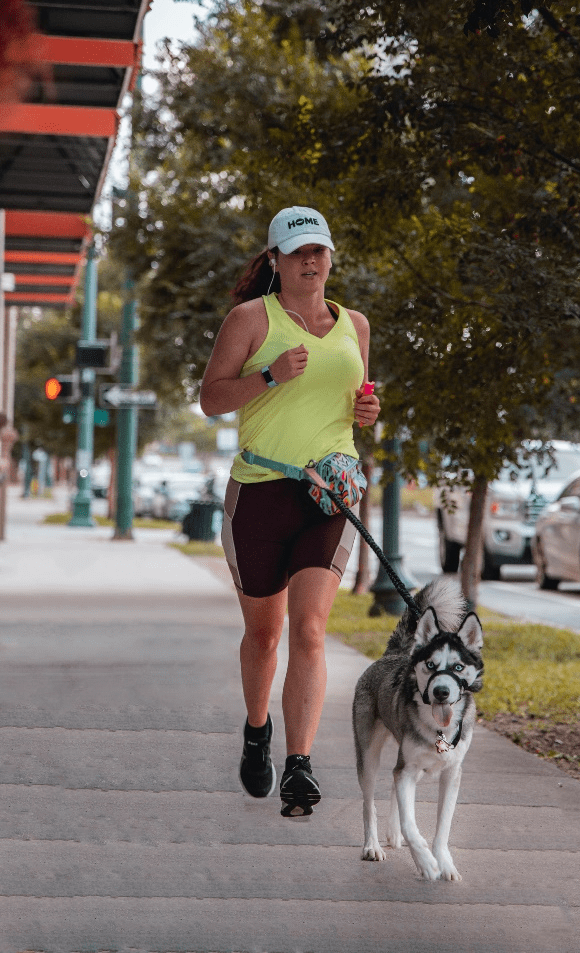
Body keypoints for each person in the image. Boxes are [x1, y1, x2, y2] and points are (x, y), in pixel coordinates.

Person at [200, 206, 380, 817]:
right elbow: (212, 398)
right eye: (297, 251)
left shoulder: (354, 324)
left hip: (328, 495)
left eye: (319, 251)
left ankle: (300, 765)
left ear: (331, 257)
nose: (310, 261)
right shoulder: (251, 319)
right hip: (261, 493)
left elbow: (356, 397)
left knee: (309, 629)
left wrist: (366, 415)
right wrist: (271, 377)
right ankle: (257, 732)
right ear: (274, 260)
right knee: (265, 632)